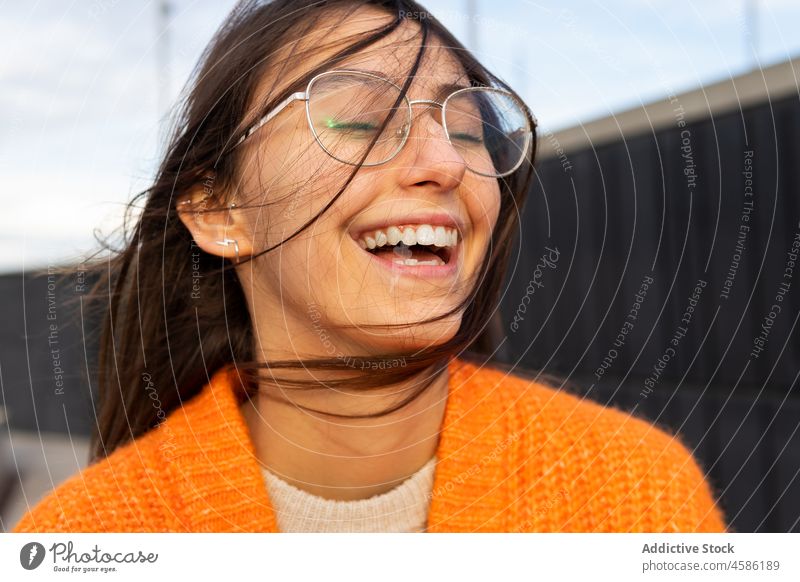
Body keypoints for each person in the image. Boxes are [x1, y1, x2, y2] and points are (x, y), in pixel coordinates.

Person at [13, 0, 726, 533]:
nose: (446, 164)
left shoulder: (638, 496)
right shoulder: (87, 533)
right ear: (217, 212)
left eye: (469, 130)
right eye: (359, 120)